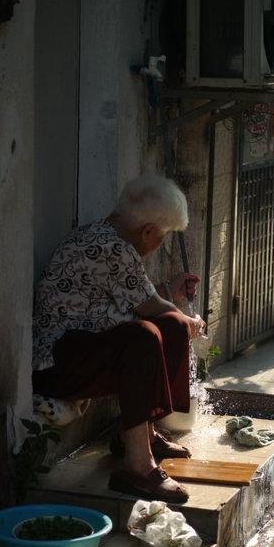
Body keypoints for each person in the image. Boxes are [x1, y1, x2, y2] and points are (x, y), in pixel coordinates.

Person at [31, 175, 205, 503]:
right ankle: (138, 467)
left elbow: (139, 300)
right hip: (56, 365)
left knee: (167, 327)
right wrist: (191, 321)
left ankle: (143, 435)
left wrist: (179, 315)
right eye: (163, 236)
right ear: (149, 231)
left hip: (79, 354)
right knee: (147, 334)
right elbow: (151, 306)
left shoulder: (106, 237)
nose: (158, 244)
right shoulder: (112, 246)